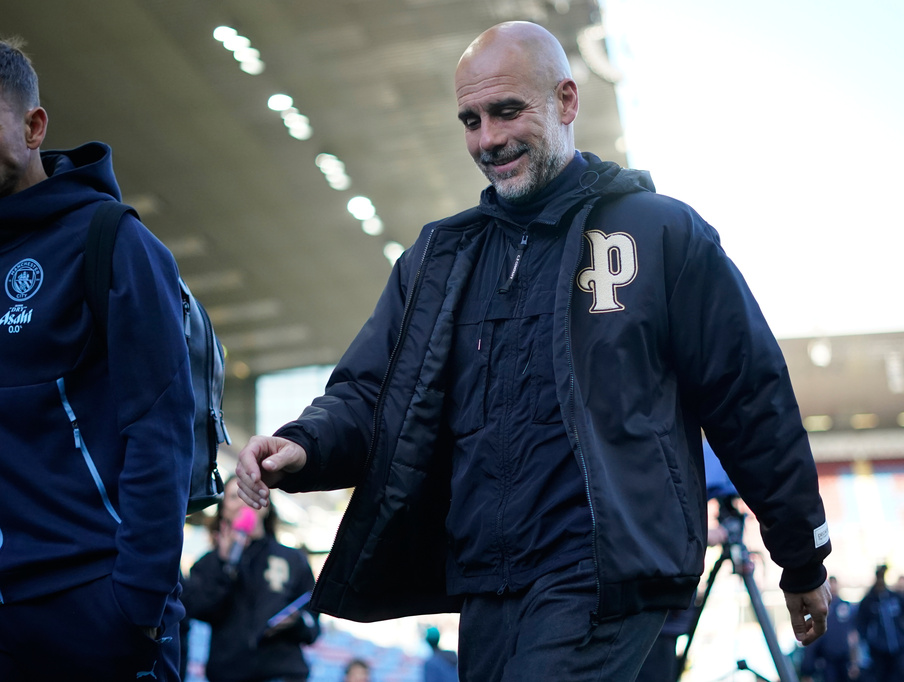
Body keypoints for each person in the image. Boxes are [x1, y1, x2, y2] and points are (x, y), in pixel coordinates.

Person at [236, 21, 832, 681]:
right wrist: (305, 444)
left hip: (604, 576)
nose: (487, 139)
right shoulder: (439, 259)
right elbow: (370, 394)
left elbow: (748, 396)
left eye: (507, 111)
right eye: (470, 119)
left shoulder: (661, 234)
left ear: (567, 102)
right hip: (485, 585)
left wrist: (801, 555)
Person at [0, 36, 194, 681]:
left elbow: (160, 429)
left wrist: (138, 605)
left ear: (34, 126)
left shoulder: (114, 243)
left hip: (89, 597)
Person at [182, 478, 320, 682]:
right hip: (229, 674)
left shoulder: (293, 559)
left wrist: (296, 622)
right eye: (233, 497)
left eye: (251, 492)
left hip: (282, 672)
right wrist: (224, 565)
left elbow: (313, 620)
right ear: (223, 509)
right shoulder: (208, 563)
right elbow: (197, 608)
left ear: (265, 504)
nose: (243, 501)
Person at [799, 576, 860, 682]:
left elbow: (853, 637)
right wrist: (807, 669)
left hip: (844, 660)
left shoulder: (846, 607)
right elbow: (812, 642)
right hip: (827, 661)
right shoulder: (818, 610)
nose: (833, 587)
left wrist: (854, 662)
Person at [855, 565, 904, 681]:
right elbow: (860, 624)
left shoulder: (895, 598)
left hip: (897, 648)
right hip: (878, 650)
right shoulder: (869, 601)